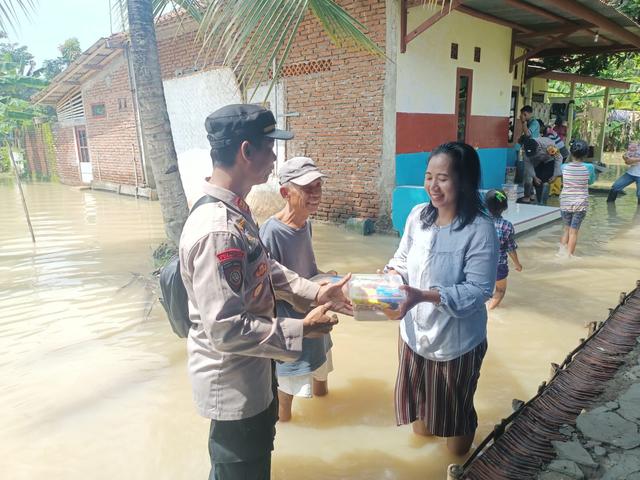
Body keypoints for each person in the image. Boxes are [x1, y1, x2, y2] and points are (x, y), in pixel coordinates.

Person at [178, 104, 352, 480]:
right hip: (234, 389)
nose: (275, 157)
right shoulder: (218, 230)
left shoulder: (237, 213)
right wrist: (302, 329)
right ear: (246, 152)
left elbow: (267, 269)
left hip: (254, 375)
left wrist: (318, 293)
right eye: (270, 147)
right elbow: (226, 328)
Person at [383, 142, 498, 456]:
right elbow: (401, 259)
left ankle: (459, 465)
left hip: (456, 342)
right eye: (428, 176)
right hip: (412, 335)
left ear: (463, 181)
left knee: (454, 416)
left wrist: (422, 295)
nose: (432, 186)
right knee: (420, 418)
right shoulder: (418, 216)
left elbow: (479, 290)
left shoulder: (480, 229)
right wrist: (392, 278)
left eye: (443, 178)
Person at [259, 156, 334, 422]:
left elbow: (305, 271)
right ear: (285, 193)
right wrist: (317, 287)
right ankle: (286, 434)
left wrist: (326, 278)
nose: (315, 194)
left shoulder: (306, 225)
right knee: (287, 391)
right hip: (292, 324)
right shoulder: (270, 232)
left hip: (317, 314)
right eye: (307, 188)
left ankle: (327, 418)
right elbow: (269, 287)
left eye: (318, 186)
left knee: (321, 374)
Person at [485, 190, 522, 309]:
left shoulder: (479, 222)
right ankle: (490, 311)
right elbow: (510, 248)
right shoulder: (507, 226)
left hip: (479, 262)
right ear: (504, 207)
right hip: (498, 264)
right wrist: (517, 264)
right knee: (500, 290)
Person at [559, 140, 591, 257]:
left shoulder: (564, 167)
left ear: (571, 152)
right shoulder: (589, 168)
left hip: (565, 202)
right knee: (574, 232)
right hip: (580, 204)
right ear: (586, 154)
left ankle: (560, 253)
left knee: (566, 230)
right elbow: (591, 181)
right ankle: (569, 257)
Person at [522, 136, 563, 205]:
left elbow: (558, 158)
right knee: (537, 181)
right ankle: (539, 201)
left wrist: (555, 175)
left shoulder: (549, 146)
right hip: (536, 161)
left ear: (538, 148)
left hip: (549, 159)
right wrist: (534, 177)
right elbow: (528, 164)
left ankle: (543, 202)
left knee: (546, 178)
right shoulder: (525, 149)